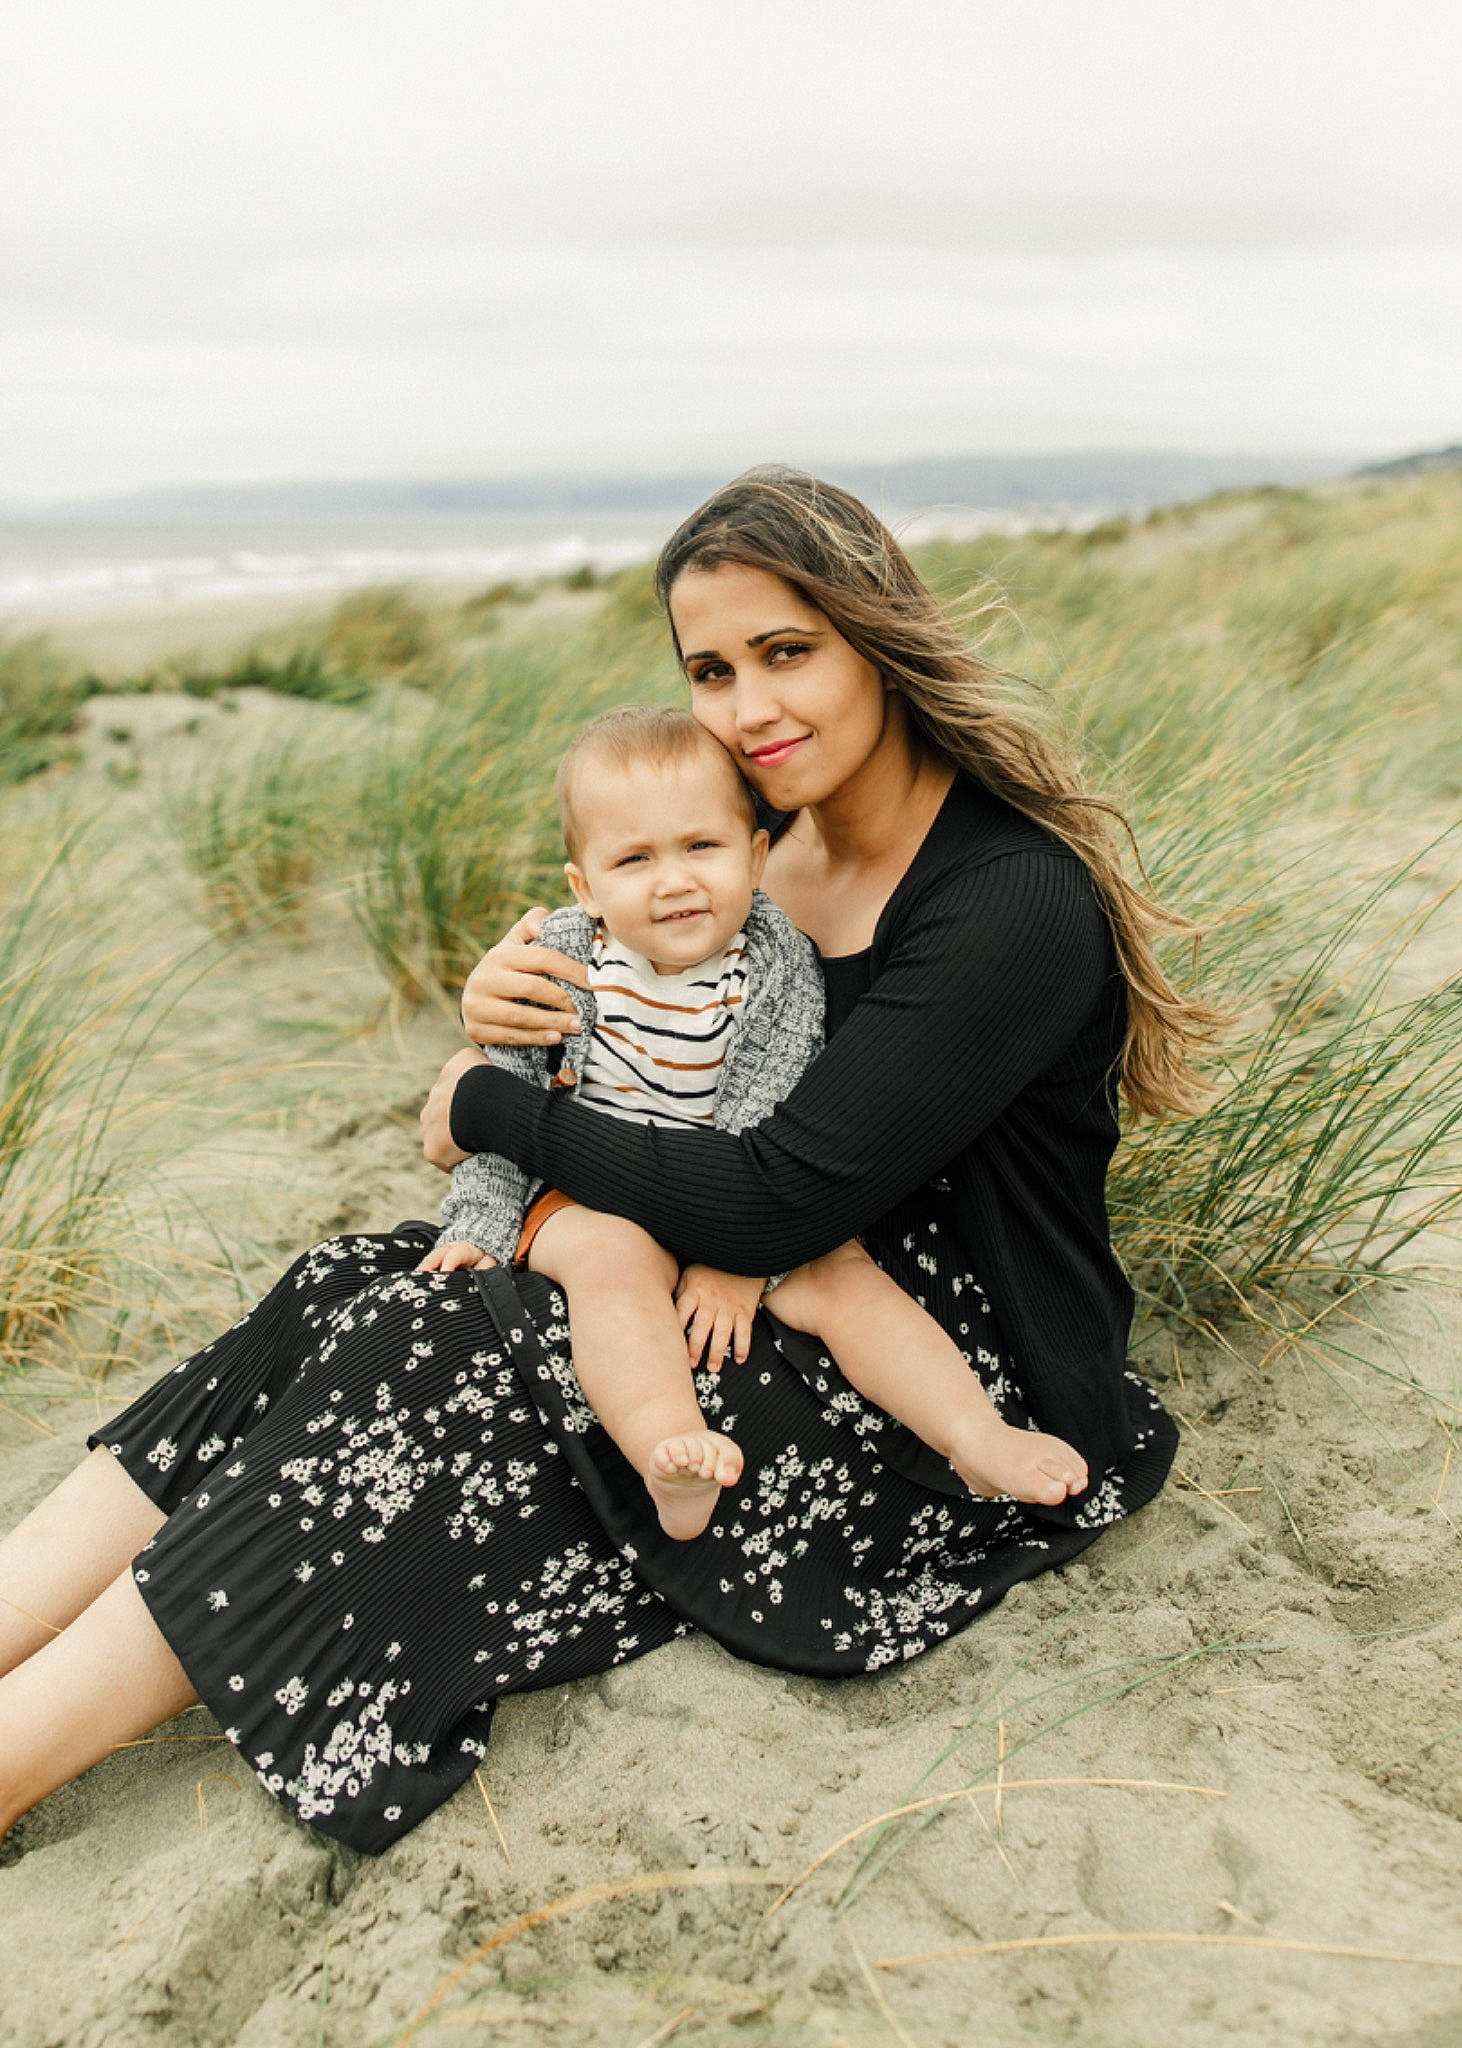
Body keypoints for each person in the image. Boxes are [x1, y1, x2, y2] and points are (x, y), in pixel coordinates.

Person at [0, 466, 1206, 1858]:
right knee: (355, 1281)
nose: (747, 710)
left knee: (436, 1365)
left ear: (876, 635)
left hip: (930, 1359)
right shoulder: (749, 854)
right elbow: (587, 1072)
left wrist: (485, 1110)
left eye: (787, 652)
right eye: (709, 668)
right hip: (719, 1263)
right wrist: (495, 1032)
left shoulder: (1009, 898)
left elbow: (776, 1199)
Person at [418, 705, 1090, 1541]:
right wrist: (479, 1219)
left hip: (732, 1197)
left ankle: (976, 1435)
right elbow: (498, 1093)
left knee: (845, 1281)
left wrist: (741, 1259)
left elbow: (775, 1103)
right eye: (634, 860)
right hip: (589, 1193)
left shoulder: (777, 963)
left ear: (757, 855)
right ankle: (669, 1447)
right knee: (612, 1266)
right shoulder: (565, 957)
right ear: (585, 886)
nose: (674, 881)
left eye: (702, 847)